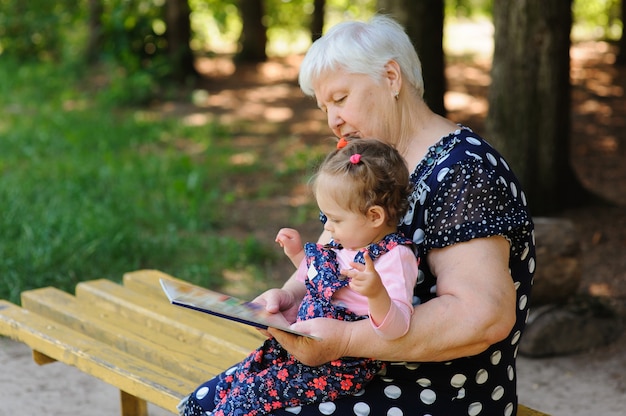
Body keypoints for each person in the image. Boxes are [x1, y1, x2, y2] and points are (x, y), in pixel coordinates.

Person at [254, 15, 534, 416]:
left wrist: (348, 340)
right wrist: (290, 297)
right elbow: (334, 253)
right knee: (210, 402)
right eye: (324, 107)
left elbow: (482, 315)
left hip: (432, 391)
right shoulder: (367, 164)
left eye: (340, 99)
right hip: (350, 371)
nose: (331, 119)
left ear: (390, 77)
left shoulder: (465, 170)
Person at [179, 138, 420, 416]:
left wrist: (377, 293)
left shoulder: (393, 257)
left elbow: (398, 328)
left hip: (338, 365)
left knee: (247, 399)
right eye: (325, 217)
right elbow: (321, 278)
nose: (328, 227)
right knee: (223, 389)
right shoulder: (346, 243)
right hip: (297, 348)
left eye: (335, 219)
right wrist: (297, 256)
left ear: (374, 215)